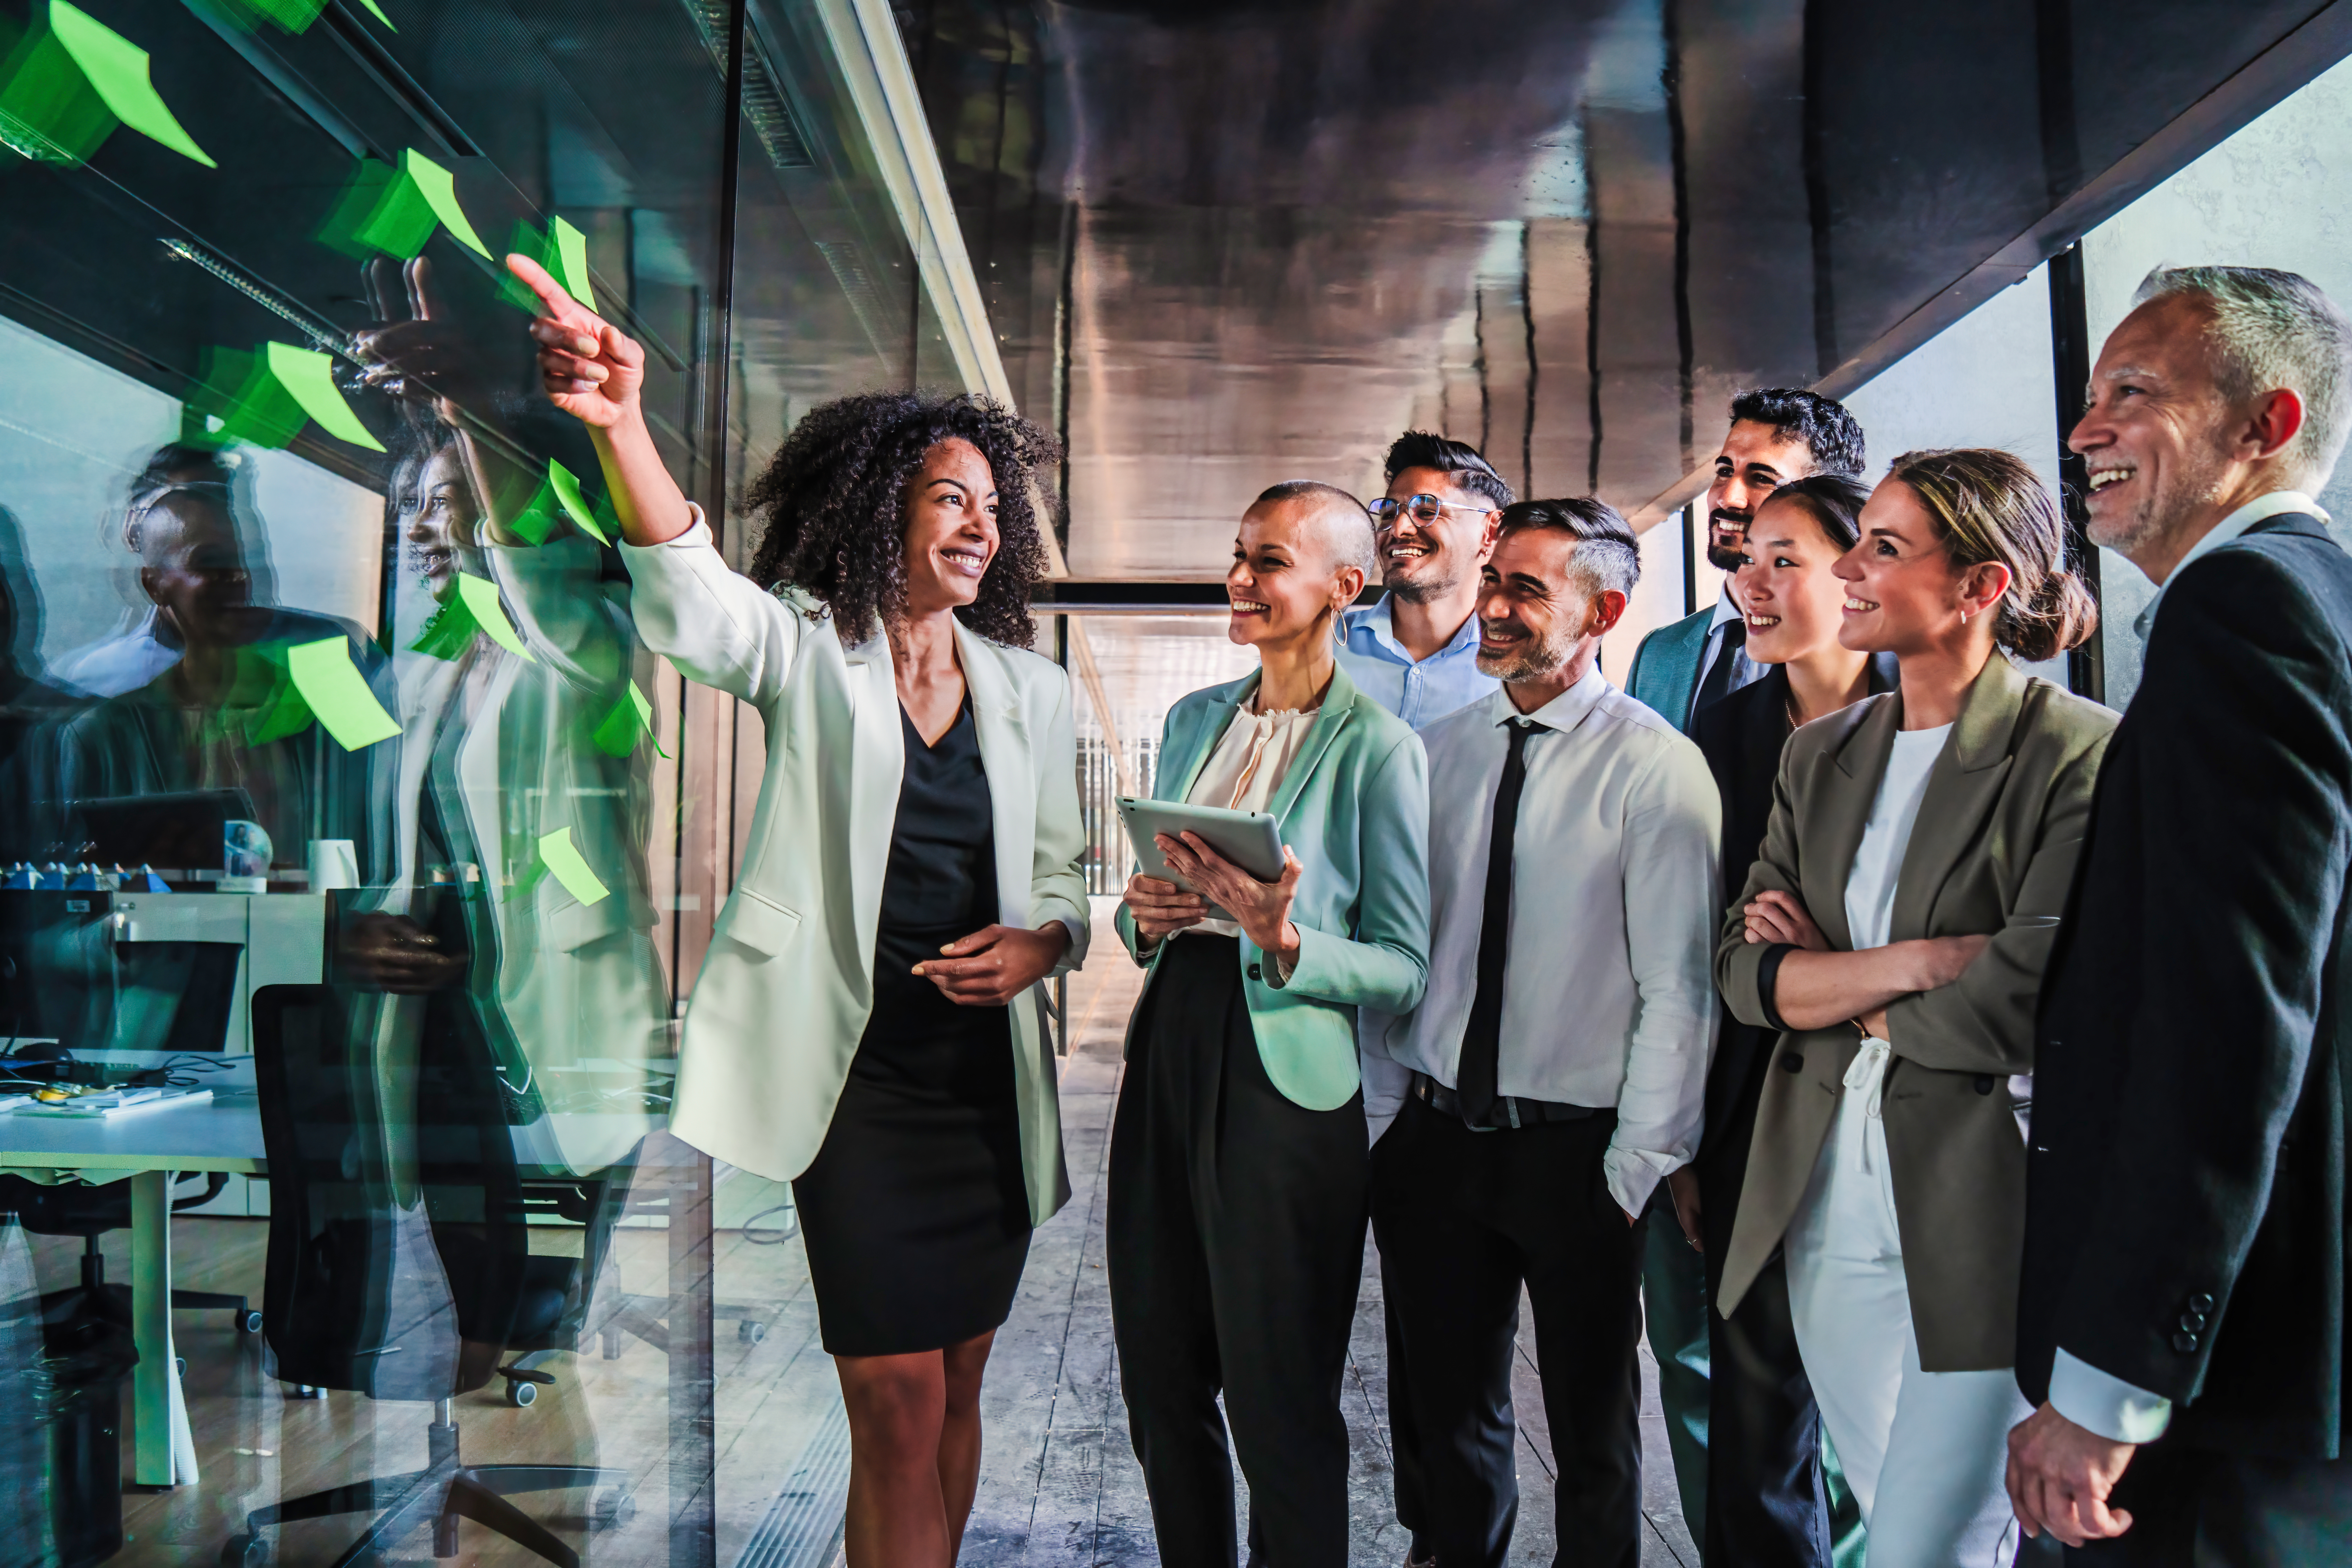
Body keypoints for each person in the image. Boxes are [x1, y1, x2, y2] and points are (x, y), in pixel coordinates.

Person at [515, 255, 1090, 1568]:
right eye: (951, 497)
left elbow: (1065, 880)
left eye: (993, 508)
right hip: (861, 1087)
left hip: (983, 1088)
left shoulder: (1032, 691)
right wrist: (617, 424)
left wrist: (1044, 942)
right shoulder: (805, 646)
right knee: (890, 1401)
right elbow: (690, 591)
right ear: (881, 507)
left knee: (955, 1387)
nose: (982, 525)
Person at [2008, 266, 2352, 1562]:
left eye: (2132, 393)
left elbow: (2231, 1010)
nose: (2084, 428)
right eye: (2088, 395)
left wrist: (2107, 1385)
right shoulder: (2323, 597)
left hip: (2220, 1384)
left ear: (2266, 424)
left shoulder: (2242, 607)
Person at [1714, 447, 2113, 1566]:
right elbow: (1745, 975)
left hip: (1978, 1209)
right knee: (1900, 1517)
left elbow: (2020, 1002)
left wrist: (1837, 978)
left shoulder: (2075, 752)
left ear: (1983, 585)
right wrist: (1924, 959)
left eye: (1885, 548)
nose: (1851, 570)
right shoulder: (1821, 752)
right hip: (1823, 1197)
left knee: (1924, 1546)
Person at [1369, 498, 1719, 1568]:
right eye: (1495, 583)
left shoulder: (1655, 769)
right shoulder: (1433, 752)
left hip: (1578, 1153)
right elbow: (1403, 953)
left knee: (1593, 1433)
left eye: (1528, 589)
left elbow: (1681, 991)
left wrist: (1632, 1170)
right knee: (1448, 1422)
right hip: (1433, 1145)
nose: (1495, 609)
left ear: (1605, 608)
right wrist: (1389, 1124)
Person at [1113, 479, 1430, 1568]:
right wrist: (1140, 914)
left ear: (1346, 586)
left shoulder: (1379, 748)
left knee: (1277, 1392)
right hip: (1171, 1042)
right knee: (1158, 1375)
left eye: (1270, 562)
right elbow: (1144, 899)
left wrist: (1282, 938)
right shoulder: (1192, 719)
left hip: (1287, 1069)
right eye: (1239, 556)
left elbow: (1402, 965)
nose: (1241, 580)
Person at [1621, 386, 1867, 1541]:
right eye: (1724, 479)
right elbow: (1703, 923)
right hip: (1735, 1087)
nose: (1726, 503)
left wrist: (1850, 967)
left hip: (1893, 1113)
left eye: (1763, 486)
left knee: (1882, 1411)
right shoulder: (1694, 684)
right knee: (1734, 1388)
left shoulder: (1943, 714)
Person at [1689, 474, 1894, 1568]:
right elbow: (1710, 948)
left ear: (1858, 568)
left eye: (1785, 560)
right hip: (1748, 1110)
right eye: (1745, 559)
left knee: (1904, 1423)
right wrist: (1685, 1137)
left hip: (1901, 1111)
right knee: (1756, 1422)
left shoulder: (1937, 716)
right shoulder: (1723, 732)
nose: (1749, 583)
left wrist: (1824, 962)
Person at [1338, 429, 1508, 1568]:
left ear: (1489, 532)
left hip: (1459, 1039)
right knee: (1303, 1306)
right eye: (1392, 505)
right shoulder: (1319, 647)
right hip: (1324, 1018)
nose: (1402, 523)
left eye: (1430, 508)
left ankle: (1453, 1542)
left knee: (1450, 1329)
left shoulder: (1515, 660)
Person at [1337, 430, 1512, 728]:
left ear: (1490, 532)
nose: (1398, 528)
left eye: (1428, 511)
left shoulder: (1520, 670)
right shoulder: (1324, 651)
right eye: (1389, 513)